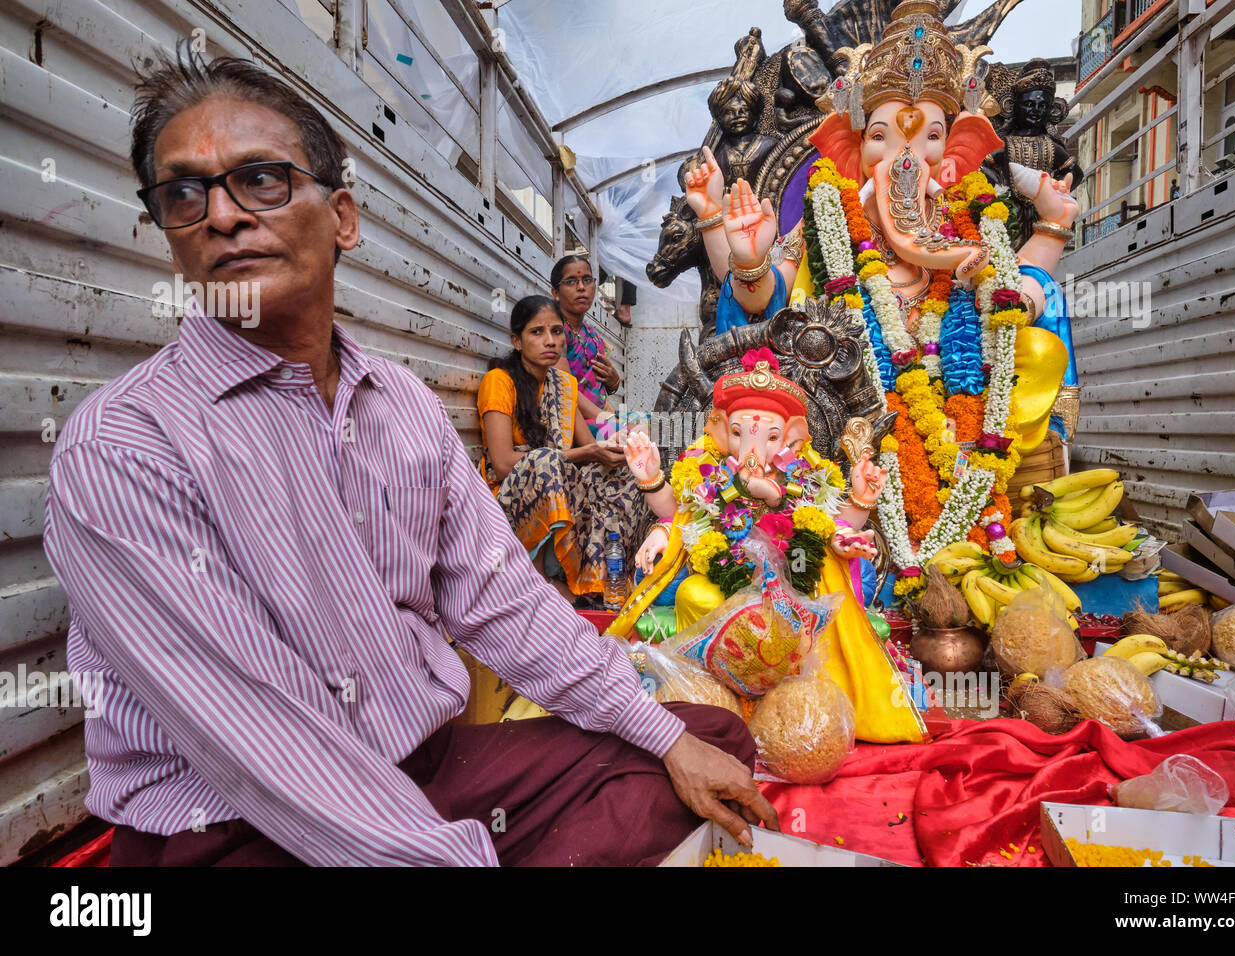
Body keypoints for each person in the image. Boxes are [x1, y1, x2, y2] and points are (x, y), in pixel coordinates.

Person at [41, 48, 777, 867]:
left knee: (700, 743)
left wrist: (662, 736)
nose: (222, 215)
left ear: (344, 218)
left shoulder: (402, 407)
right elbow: (268, 748)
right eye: (184, 193)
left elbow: (504, 602)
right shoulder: (125, 446)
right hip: (239, 821)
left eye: (261, 180)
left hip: (425, 768)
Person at [477, 295, 646, 605]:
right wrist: (588, 454)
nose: (550, 341)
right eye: (537, 332)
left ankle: (608, 578)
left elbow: (588, 445)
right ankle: (538, 578)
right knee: (546, 461)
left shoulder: (563, 385)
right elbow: (502, 463)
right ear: (517, 340)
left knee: (625, 474)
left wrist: (619, 446)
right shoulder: (498, 382)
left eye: (556, 331)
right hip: (510, 491)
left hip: (559, 481)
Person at [551, 255, 618, 426]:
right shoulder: (555, 332)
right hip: (573, 423)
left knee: (659, 427)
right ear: (555, 293)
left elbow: (600, 391)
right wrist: (614, 424)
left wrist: (614, 382)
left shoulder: (592, 336)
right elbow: (567, 392)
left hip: (600, 417)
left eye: (587, 280)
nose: (581, 287)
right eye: (571, 281)